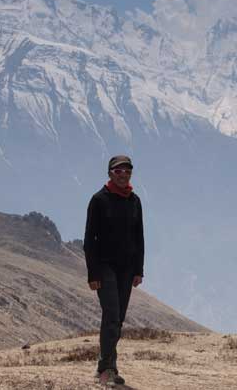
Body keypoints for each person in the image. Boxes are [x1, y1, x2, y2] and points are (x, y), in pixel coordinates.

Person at [84, 155, 145, 387]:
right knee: (111, 315)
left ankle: (107, 363)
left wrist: (139, 269)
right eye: (118, 171)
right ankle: (107, 369)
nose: (123, 174)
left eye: (127, 170)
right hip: (104, 266)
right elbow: (90, 239)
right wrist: (93, 273)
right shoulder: (99, 200)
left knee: (118, 319)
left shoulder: (135, 201)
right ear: (110, 173)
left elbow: (139, 237)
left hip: (127, 268)